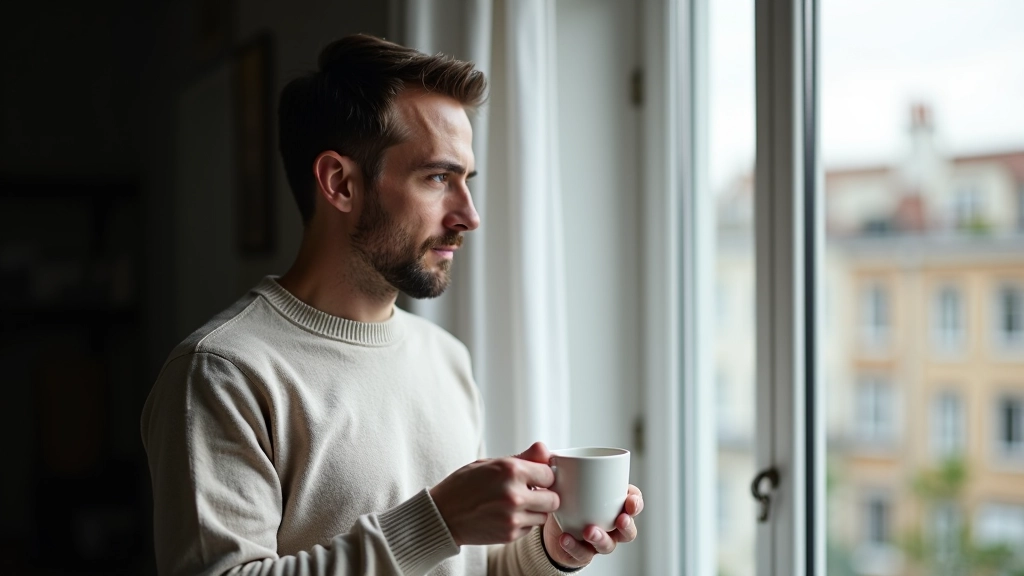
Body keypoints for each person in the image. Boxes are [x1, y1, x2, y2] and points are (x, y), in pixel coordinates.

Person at [141, 34, 643, 576]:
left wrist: (548, 549)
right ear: (340, 183)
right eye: (437, 178)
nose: (469, 215)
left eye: (466, 181)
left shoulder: (444, 356)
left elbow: (465, 567)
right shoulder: (222, 372)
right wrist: (440, 521)